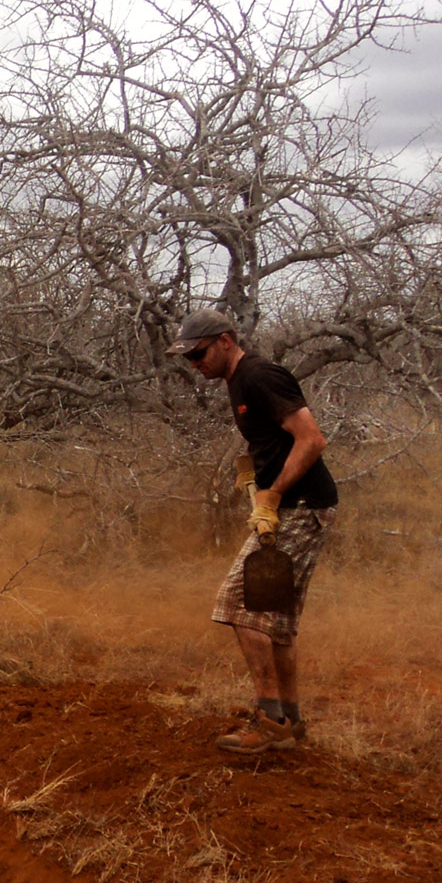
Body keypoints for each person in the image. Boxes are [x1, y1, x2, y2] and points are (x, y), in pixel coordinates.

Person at [169, 308, 338, 754]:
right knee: (277, 622)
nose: (194, 363)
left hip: (301, 507)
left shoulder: (260, 374)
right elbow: (278, 437)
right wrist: (256, 470)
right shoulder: (238, 381)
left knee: (238, 604)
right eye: (188, 358)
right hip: (295, 504)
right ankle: (290, 724)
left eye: (199, 353)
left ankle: (269, 720)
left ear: (225, 340)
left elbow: (313, 439)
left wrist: (273, 496)